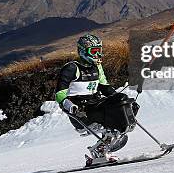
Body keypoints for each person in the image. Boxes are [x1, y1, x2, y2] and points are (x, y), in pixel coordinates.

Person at [55, 34, 139, 165]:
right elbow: (59, 93)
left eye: (99, 51)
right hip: (82, 112)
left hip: (96, 105)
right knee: (121, 107)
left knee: (129, 105)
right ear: (83, 51)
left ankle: (103, 148)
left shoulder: (97, 68)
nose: (98, 55)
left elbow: (105, 88)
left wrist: (122, 99)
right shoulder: (72, 68)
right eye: (94, 51)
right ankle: (101, 150)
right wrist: (69, 105)